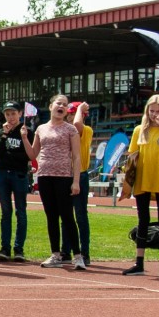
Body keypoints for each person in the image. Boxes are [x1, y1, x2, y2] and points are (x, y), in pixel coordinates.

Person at [23, 95, 84, 270]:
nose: (62, 106)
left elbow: (76, 156)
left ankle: (77, 256)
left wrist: (76, 181)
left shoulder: (71, 129)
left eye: (65, 105)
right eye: (59, 103)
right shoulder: (41, 129)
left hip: (64, 176)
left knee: (67, 216)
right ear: (51, 106)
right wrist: (25, 138)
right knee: (51, 217)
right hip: (44, 176)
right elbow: (32, 154)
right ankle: (55, 254)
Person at [123, 94, 159, 277]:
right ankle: (139, 262)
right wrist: (128, 177)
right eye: (151, 111)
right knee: (143, 220)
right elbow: (132, 155)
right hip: (142, 180)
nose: (154, 114)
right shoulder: (139, 130)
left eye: (158, 111)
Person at [0, 103, 31, 262]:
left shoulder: (27, 131)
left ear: (20, 114)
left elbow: (27, 155)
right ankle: (5, 248)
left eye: (13, 113)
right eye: (7, 114)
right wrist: (4, 135)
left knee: (21, 211)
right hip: (3, 174)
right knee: (5, 212)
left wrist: (11, 153)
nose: (10, 117)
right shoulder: (1, 132)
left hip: (19, 174)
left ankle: (19, 249)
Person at [71, 101, 95, 267]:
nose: (70, 118)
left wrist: (80, 109)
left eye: (73, 115)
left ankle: (84, 252)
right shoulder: (65, 130)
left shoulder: (86, 130)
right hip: (66, 175)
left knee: (80, 215)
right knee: (66, 215)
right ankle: (66, 251)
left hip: (80, 175)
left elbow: (77, 125)